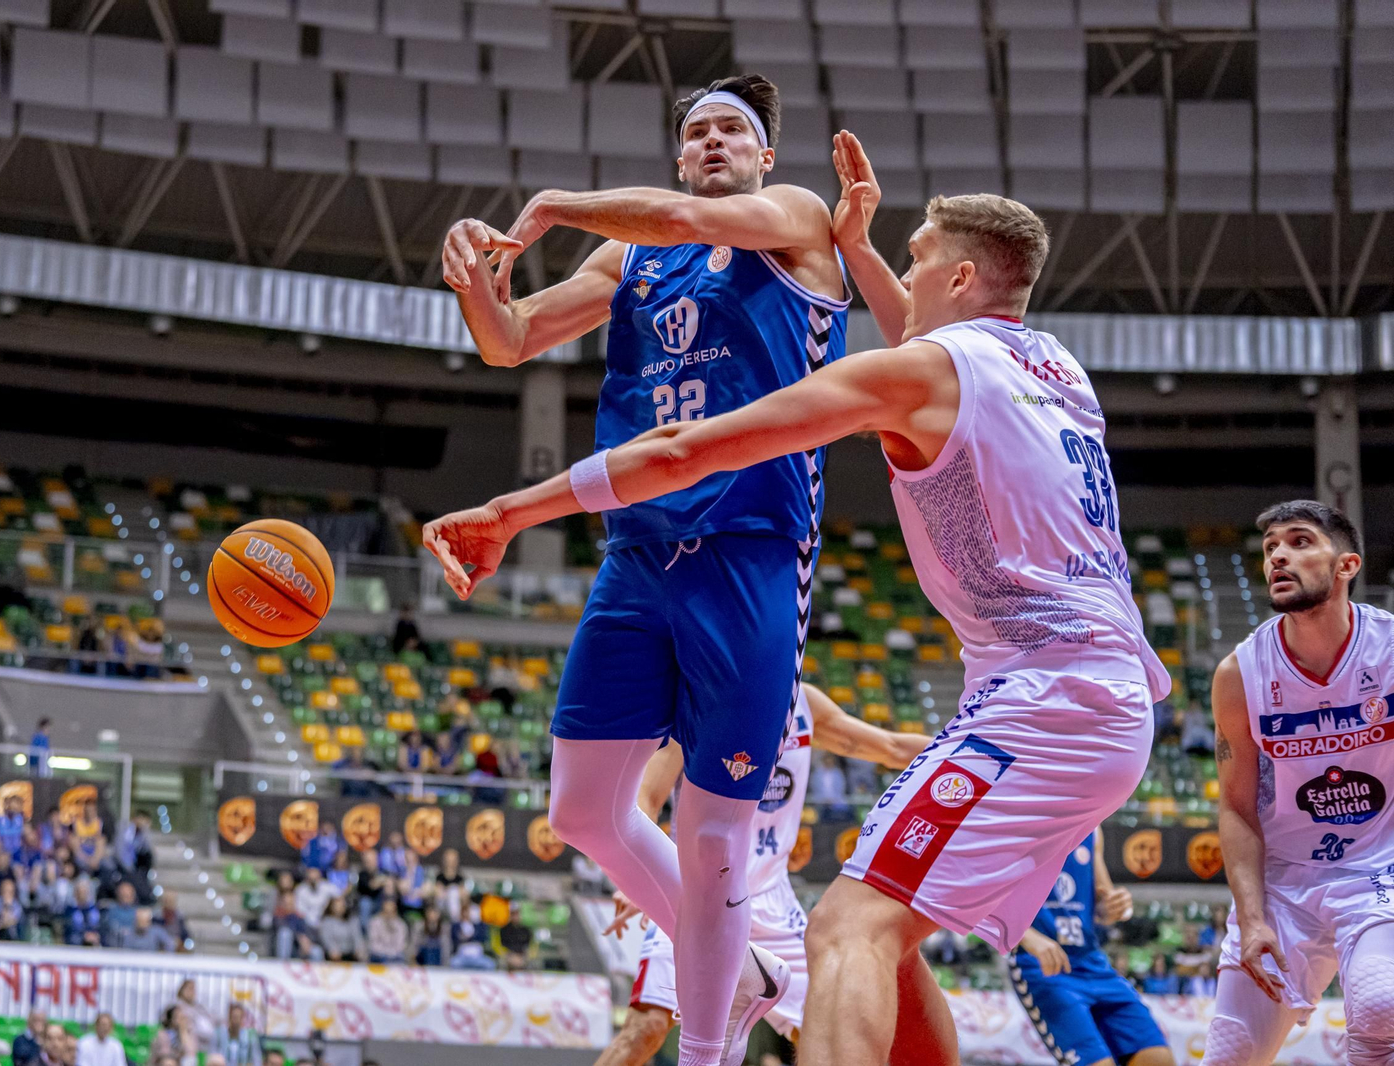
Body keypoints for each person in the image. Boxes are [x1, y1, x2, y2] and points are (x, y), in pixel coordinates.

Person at [423, 130, 1170, 1066]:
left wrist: (508, 510)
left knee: (841, 933)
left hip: (1046, 695)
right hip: (1087, 689)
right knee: (889, 949)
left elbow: (681, 453)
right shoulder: (1056, 369)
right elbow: (927, 345)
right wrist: (862, 248)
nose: (890, 276)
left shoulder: (907, 366)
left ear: (963, 274)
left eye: (913, 258)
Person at [436, 71, 849, 1066]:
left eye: (730, 132)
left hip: (748, 549)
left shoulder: (794, 219)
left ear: (761, 159)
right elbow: (513, 341)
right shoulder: (633, 257)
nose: (711, 143)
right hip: (636, 549)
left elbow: (668, 214)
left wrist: (548, 205)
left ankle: (705, 1048)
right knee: (580, 810)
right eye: (696, 131)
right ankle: (743, 963)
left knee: (712, 841)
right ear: (677, 152)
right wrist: (475, 279)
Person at [599, 683, 929, 1064]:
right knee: (646, 1029)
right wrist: (642, 875)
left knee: (828, 1033)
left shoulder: (805, 701)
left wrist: (982, 748)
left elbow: (890, 747)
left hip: (771, 899)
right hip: (696, 892)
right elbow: (646, 797)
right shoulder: (704, 695)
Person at [1205, 501, 1394, 1064]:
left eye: (1300, 542)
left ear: (1346, 565)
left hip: (1378, 867)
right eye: (1270, 549)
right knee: (1230, 1056)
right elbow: (1236, 808)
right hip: (1284, 882)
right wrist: (1253, 917)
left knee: (1381, 1005)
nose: (1279, 556)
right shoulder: (1240, 674)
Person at [1007, 828, 1173, 1066]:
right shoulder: (1019, 813)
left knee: (1157, 1058)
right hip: (1041, 964)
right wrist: (1027, 936)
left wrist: (1113, 906)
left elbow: (1102, 904)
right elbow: (977, 891)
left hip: (1091, 960)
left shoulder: (1093, 825)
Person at [318, 896, 365, 963]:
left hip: (351, 954)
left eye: (342, 905)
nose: (340, 907)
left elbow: (357, 936)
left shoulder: (352, 920)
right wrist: (333, 950)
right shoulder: (326, 922)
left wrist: (358, 949)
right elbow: (326, 938)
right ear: (331, 907)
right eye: (337, 905)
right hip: (334, 955)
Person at [171, 981, 216, 1049]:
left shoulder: (199, 1007)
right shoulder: (177, 1007)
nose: (192, 991)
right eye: (189, 988)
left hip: (206, 1041)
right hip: (186, 1041)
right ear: (182, 990)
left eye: (193, 989)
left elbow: (212, 1017)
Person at [366, 898, 408, 964]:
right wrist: (386, 954)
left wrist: (390, 954)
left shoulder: (401, 925)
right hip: (378, 955)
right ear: (382, 912)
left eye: (391, 912)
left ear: (395, 912)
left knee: (400, 958)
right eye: (386, 912)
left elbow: (400, 945)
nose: (389, 915)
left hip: (395, 956)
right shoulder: (374, 922)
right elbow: (373, 944)